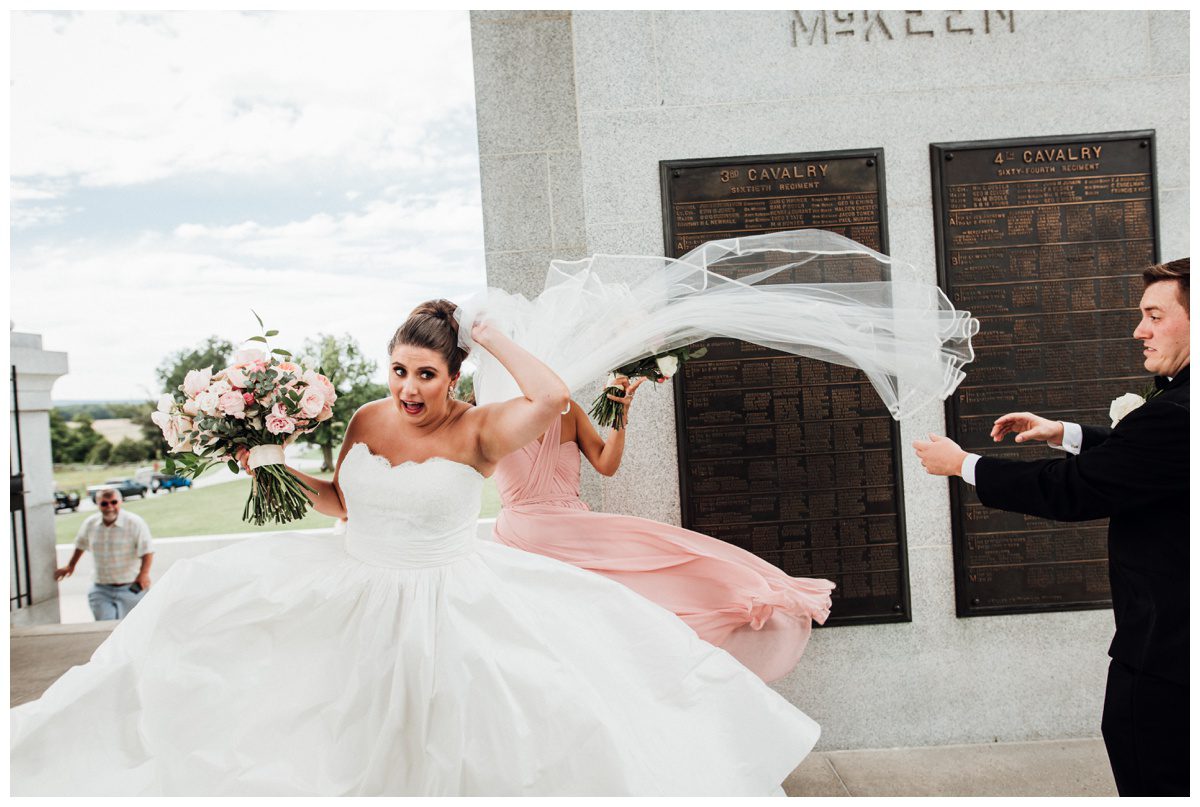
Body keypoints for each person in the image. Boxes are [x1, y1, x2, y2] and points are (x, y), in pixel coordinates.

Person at [12, 300, 820, 796]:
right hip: (351, 586)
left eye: (426, 373)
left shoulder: (483, 427)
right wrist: (276, 468)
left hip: (446, 601)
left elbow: (548, 396)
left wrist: (496, 333)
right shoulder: (366, 419)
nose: (408, 388)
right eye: (399, 370)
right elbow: (339, 501)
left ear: (455, 376)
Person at [912, 258, 1190, 797]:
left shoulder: (1180, 410)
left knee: (1153, 767)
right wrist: (1067, 433)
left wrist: (963, 465)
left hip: (1170, 652)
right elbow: (1157, 465)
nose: (1140, 331)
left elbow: (1075, 491)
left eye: (1155, 315)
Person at [493, 374, 835, 682]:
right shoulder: (500, 415)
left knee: (654, 579)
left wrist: (619, 415)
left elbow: (606, 464)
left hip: (564, 534)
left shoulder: (548, 413)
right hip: (538, 537)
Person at [55, 487, 154, 621]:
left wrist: (144, 574)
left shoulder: (135, 523)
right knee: (105, 630)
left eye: (114, 502)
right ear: (98, 504)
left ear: (120, 502)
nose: (110, 507)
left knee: (131, 628)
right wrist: (70, 566)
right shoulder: (90, 524)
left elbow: (147, 551)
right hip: (101, 589)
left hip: (131, 588)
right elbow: (80, 545)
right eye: (104, 503)